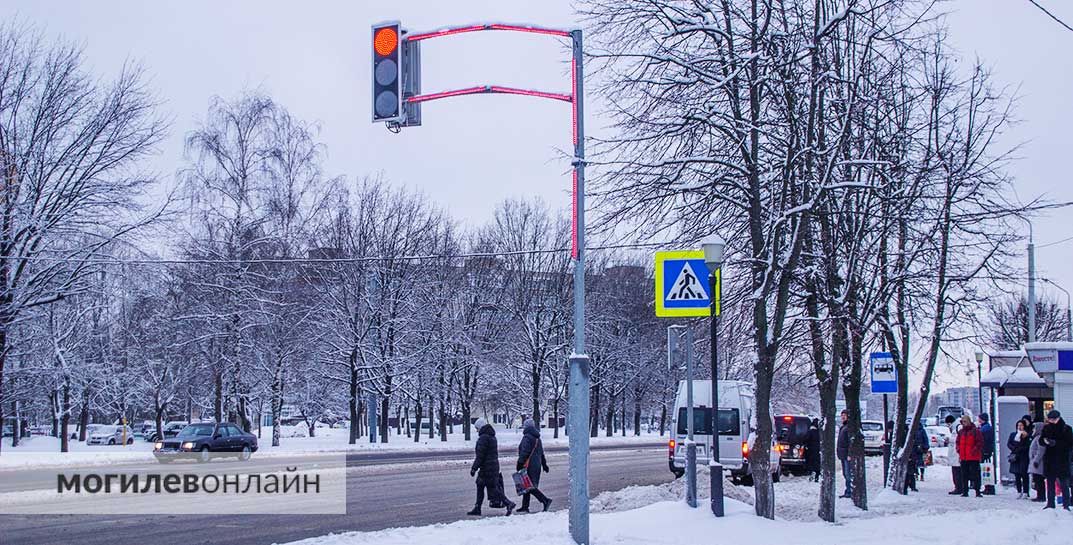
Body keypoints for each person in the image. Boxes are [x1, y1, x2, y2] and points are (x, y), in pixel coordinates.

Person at [467, 417, 515, 516]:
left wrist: (474, 468)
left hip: (487, 467)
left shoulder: (483, 438)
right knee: (480, 485)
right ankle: (477, 507)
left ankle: (508, 503)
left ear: (481, 427)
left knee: (492, 489)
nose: (476, 430)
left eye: (477, 428)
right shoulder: (492, 436)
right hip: (492, 466)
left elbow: (480, 455)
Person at [516, 418, 552, 513]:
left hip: (528, 465)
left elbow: (525, 452)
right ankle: (525, 506)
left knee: (529, 486)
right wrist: (544, 465)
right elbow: (541, 453)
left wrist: (520, 463)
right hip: (536, 465)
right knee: (526, 485)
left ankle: (545, 500)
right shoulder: (537, 438)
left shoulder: (527, 437)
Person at [1040, 410, 1073, 510]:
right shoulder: (1046, 428)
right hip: (1050, 460)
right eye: (1050, 419)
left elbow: (1069, 444)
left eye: (1053, 419)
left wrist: (1055, 443)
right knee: (1050, 483)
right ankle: (1050, 503)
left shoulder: (1066, 429)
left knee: (1064, 483)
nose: (1051, 421)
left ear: (1058, 418)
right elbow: (1041, 440)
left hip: (1062, 459)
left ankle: (1066, 504)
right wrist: (1045, 441)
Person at [955, 414, 983, 497]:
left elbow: (980, 442)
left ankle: (977, 491)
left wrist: (974, 450)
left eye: (965, 421)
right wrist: (958, 449)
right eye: (962, 422)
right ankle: (965, 491)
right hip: (964, 456)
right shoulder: (961, 432)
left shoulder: (975, 431)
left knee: (975, 475)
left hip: (973, 457)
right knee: (964, 475)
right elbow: (957, 442)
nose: (964, 423)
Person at [1007, 419, 1032, 499]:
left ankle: (1025, 491)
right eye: (1018, 425)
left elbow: (1028, 446)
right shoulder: (1013, 434)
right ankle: (1018, 490)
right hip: (1015, 457)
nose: (1019, 427)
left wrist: (1021, 447)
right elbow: (1009, 443)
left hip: (1024, 456)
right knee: (1016, 474)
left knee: (1024, 474)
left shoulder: (1027, 435)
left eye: (1021, 425)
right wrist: (1014, 448)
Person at [906, 422, 929, 492]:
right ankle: (919, 474)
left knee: (916, 463)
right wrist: (926, 447)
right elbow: (926, 439)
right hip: (920, 449)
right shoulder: (922, 430)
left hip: (916, 450)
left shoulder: (912, 430)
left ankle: (918, 474)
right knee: (920, 463)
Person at [1028, 420, 1047, 502]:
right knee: (1037, 479)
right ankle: (1039, 495)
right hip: (1036, 462)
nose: (1033, 430)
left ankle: (1041, 496)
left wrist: (1036, 460)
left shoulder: (1039, 438)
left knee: (1039, 480)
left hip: (1038, 463)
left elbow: (1040, 450)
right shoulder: (1036, 438)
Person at [945, 415, 963, 495]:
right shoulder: (956, 427)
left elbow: (959, 439)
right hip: (955, 454)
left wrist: (950, 440)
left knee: (957, 471)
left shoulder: (958, 427)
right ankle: (958, 487)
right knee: (956, 470)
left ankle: (959, 487)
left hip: (957, 454)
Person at [836, 410, 851, 498]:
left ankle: (849, 491)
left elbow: (850, 442)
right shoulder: (843, 427)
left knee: (848, 473)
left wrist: (849, 454)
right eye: (842, 415)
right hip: (843, 454)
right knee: (845, 474)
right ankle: (848, 490)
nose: (843, 417)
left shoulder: (848, 428)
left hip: (846, 455)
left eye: (844, 415)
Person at [805, 418, 821, 482]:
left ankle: (812, 472)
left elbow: (806, 439)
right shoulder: (820, 432)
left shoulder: (811, 431)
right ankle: (817, 475)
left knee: (811, 462)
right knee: (817, 462)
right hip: (818, 450)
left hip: (811, 449)